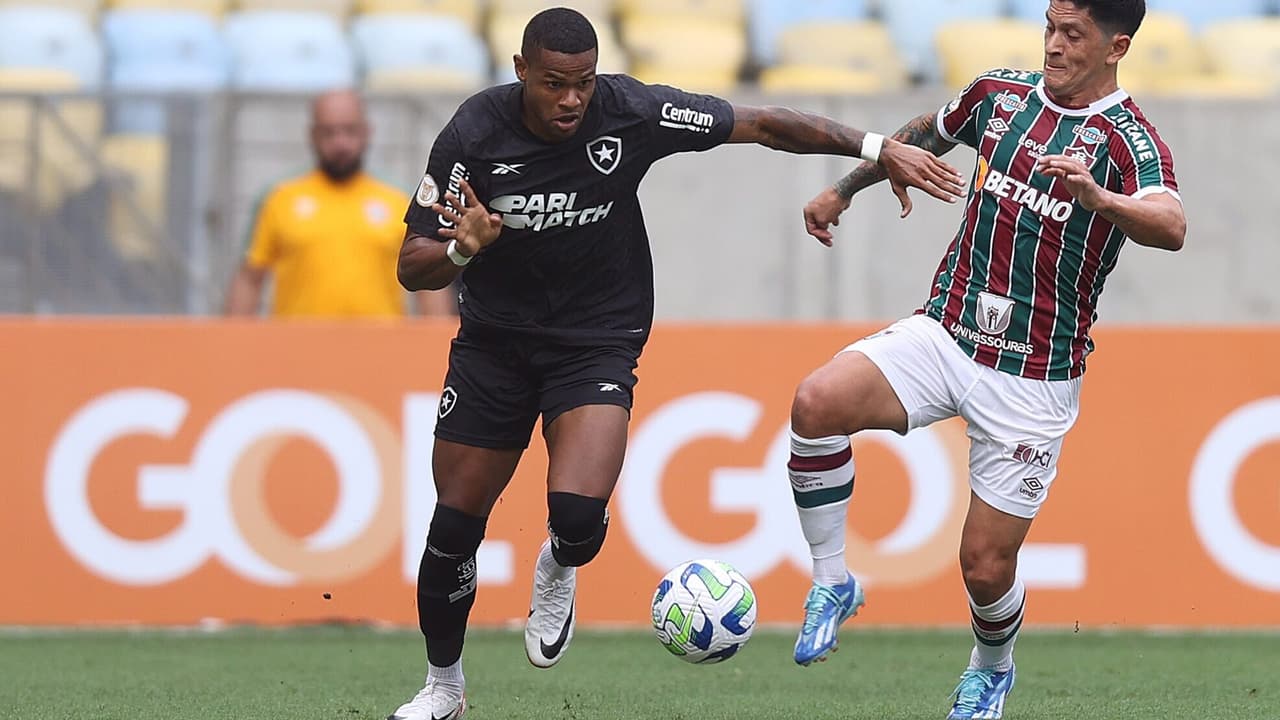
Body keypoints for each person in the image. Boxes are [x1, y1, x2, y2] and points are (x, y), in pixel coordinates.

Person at [388, 7, 965, 720]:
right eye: (554, 84)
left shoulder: (628, 111)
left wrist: (880, 147)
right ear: (521, 73)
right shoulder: (473, 137)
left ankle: (560, 565)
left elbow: (762, 123)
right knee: (454, 529)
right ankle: (444, 688)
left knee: (576, 516)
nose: (572, 100)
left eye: (583, 83)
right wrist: (462, 248)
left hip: (595, 338)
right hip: (494, 343)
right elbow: (412, 269)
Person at [786, 1, 1185, 718]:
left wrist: (1097, 197)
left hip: (1034, 377)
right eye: (1050, 29)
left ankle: (991, 668)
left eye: (1073, 35)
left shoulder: (1129, 141)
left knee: (985, 565)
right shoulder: (996, 96)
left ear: (1115, 46)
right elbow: (921, 138)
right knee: (816, 404)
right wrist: (842, 189)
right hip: (947, 333)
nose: (1054, 47)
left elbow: (1172, 223)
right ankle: (833, 580)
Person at [223, 89, 454, 319]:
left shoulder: (399, 199)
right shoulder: (278, 197)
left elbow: (428, 282)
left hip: (378, 349)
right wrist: (233, 345)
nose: (340, 143)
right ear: (312, 135)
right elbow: (249, 278)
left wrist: (436, 344)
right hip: (296, 349)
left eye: (349, 130)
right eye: (329, 132)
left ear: (366, 132)